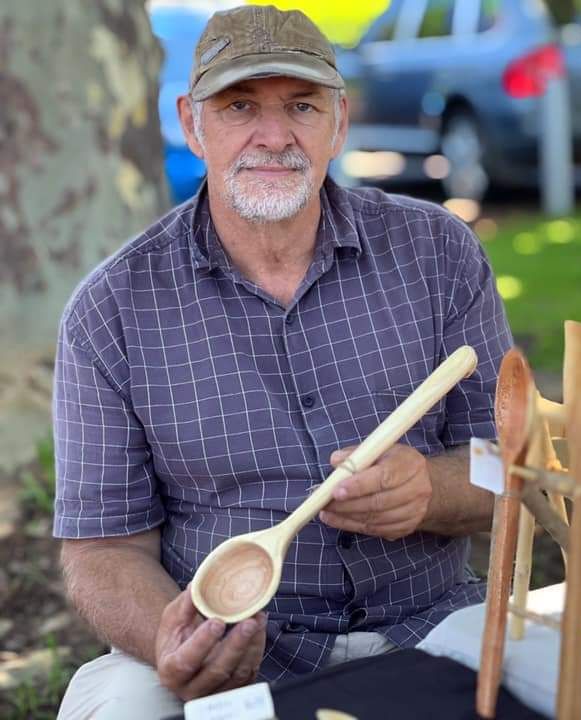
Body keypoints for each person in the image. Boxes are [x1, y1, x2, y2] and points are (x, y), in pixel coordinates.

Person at [53, 6, 512, 719]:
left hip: (433, 623)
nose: (274, 136)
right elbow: (103, 548)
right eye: (240, 107)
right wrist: (173, 638)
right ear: (191, 124)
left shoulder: (438, 253)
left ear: (339, 121)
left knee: (567, 679)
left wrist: (433, 490)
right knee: (116, 706)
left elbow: (509, 464)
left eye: (300, 105)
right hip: (232, 644)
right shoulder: (113, 307)